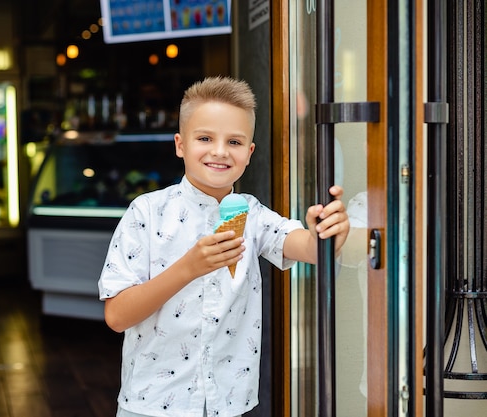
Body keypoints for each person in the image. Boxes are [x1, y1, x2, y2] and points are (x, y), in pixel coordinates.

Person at [98, 76, 350, 417]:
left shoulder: (254, 214)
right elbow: (116, 316)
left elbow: (307, 247)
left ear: (249, 153)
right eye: (204, 138)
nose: (219, 151)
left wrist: (325, 232)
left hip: (227, 404)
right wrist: (189, 268)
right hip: (152, 404)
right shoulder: (146, 212)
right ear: (180, 144)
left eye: (234, 141)